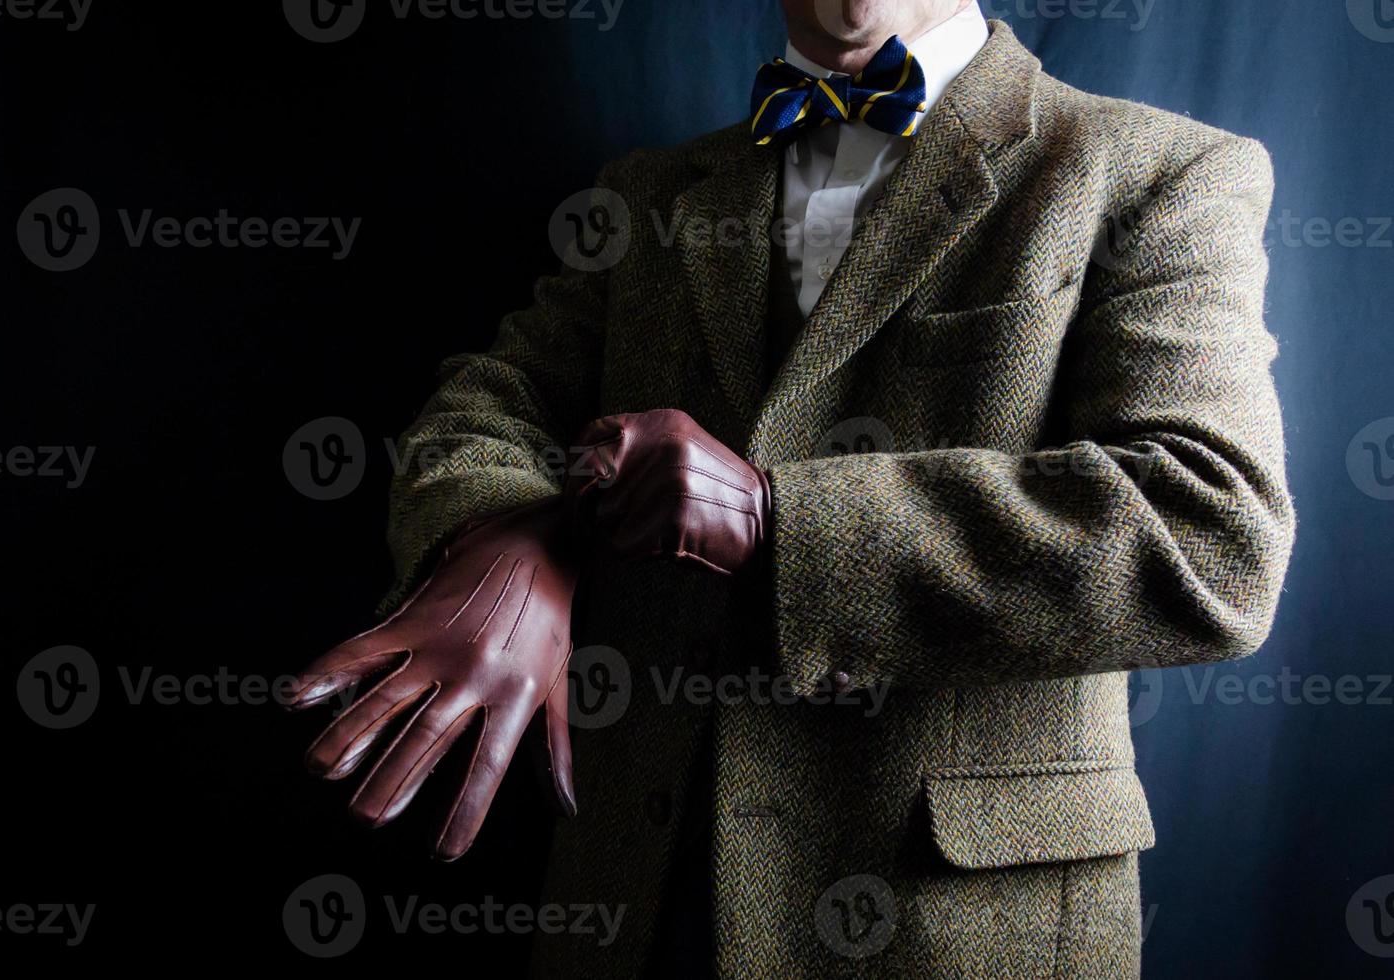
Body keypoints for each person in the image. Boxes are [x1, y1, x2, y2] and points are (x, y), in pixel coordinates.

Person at [286, 2, 1295, 975]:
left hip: (960, 927)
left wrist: (778, 523)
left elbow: (1210, 534)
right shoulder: (649, 192)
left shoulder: (1161, 169)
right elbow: (486, 408)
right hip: (636, 900)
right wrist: (503, 534)